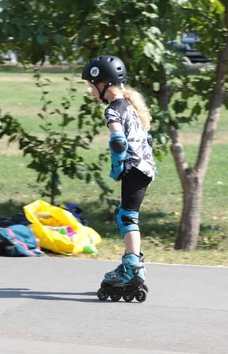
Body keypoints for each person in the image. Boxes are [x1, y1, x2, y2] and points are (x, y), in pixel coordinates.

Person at [81, 55, 157, 298]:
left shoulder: (113, 109)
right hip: (145, 168)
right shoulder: (130, 105)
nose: (91, 92)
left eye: (91, 87)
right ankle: (132, 264)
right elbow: (147, 139)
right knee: (125, 215)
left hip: (134, 168)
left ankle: (132, 267)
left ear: (102, 84)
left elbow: (118, 141)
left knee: (127, 217)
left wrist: (117, 168)